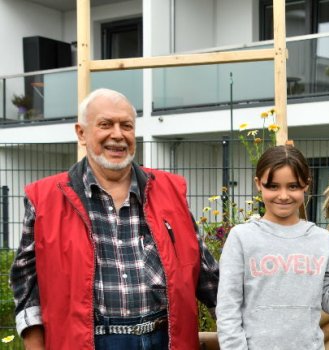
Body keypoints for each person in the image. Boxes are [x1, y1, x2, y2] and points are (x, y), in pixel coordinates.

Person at [10, 88, 219, 349]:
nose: (118, 135)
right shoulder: (45, 198)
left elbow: (207, 274)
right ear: (81, 133)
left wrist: (235, 328)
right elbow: (26, 282)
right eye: (105, 125)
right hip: (91, 341)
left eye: (126, 126)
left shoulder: (170, 191)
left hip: (166, 339)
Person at [216, 145, 329, 349]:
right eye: (273, 186)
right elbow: (228, 308)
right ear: (258, 184)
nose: (284, 195)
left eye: (293, 186)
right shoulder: (241, 238)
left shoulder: (322, 240)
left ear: (306, 185)